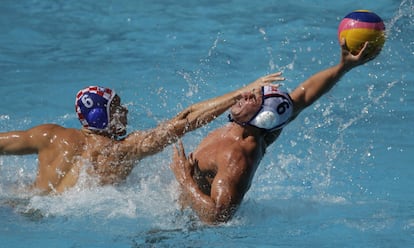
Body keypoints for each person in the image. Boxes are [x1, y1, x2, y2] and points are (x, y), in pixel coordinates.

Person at [170, 40, 380, 225]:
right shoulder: (258, 128)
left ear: (262, 117)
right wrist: (343, 67)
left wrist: (185, 180)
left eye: (252, 99)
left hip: (189, 227)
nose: (244, 95)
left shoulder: (237, 156)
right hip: (181, 210)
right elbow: (303, 97)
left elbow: (218, 217)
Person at [0, 73, 284, 194]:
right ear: (102, 116)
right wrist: (241, 92)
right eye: (118, 108)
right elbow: (185, 120)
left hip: (32, 208)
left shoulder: (48, 135)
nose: (125, 112)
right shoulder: (124, 150)